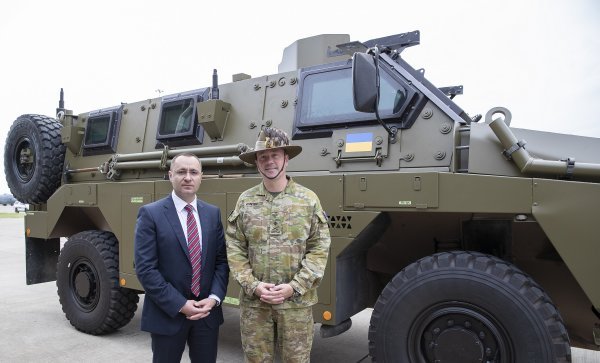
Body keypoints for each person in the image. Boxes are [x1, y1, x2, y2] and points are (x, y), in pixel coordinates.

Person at [226, 127, 331, 362]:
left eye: (275, 155)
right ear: (256, 162)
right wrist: (253, 285)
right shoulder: (246, 201)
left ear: (286, 158)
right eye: (263, 157)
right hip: (256, 304)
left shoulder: (307, 199)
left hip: (296, 304)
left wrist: (294, 286)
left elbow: (319, 248)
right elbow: (235, 247)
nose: (269, 161)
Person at [134, 153, 229, 363]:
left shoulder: (212, 214)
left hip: (206, 316)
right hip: (167, 314)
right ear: (170, 175)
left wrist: (213, 299)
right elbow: (145, 269)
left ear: (201, 177)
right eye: (181, 172)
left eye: (193, 172)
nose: (188, 177)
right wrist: (180, 304)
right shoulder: (151, 214)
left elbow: (221, 262)